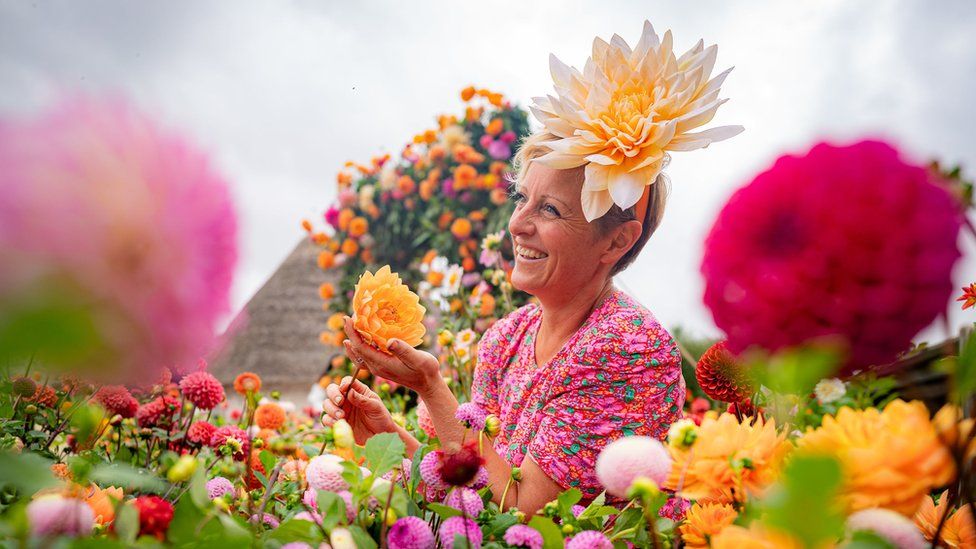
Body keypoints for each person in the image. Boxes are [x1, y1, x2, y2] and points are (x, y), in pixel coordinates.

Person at [322, 21, 740, 514]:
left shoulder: (628, 348)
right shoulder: (507, 337)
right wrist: (385, 440)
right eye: (522, 198)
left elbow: (523, 514)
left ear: (616, 241)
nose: (516, 224)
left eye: (549, 210)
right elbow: (471, 490)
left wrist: (432, 387)